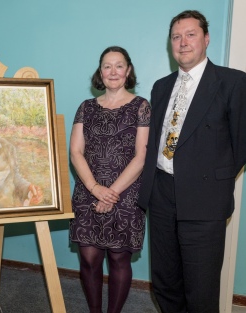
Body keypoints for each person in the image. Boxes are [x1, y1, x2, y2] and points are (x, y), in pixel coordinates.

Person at [138, 10, 246, 313]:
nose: (182, 42)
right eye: (176, 36)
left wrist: (211, 177)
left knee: (201, 288)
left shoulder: (233, 83)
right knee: (164, 283)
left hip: (204, 200)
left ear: (206, 39)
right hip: (160, 195)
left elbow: (241, 145)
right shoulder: (161, 87)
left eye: (190, 34)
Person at [69, 46, 150, 313]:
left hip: (125, 195)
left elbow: (141, 157)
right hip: (87, 193)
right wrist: (95, 189)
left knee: (118, 258)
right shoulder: (86, 107)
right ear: (100, 72)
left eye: (118, 65)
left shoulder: (141, 107)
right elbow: (76, 151)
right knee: (89, 259)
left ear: (128, 71)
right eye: (107, 66)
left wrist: (110, 193)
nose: (112, 71)